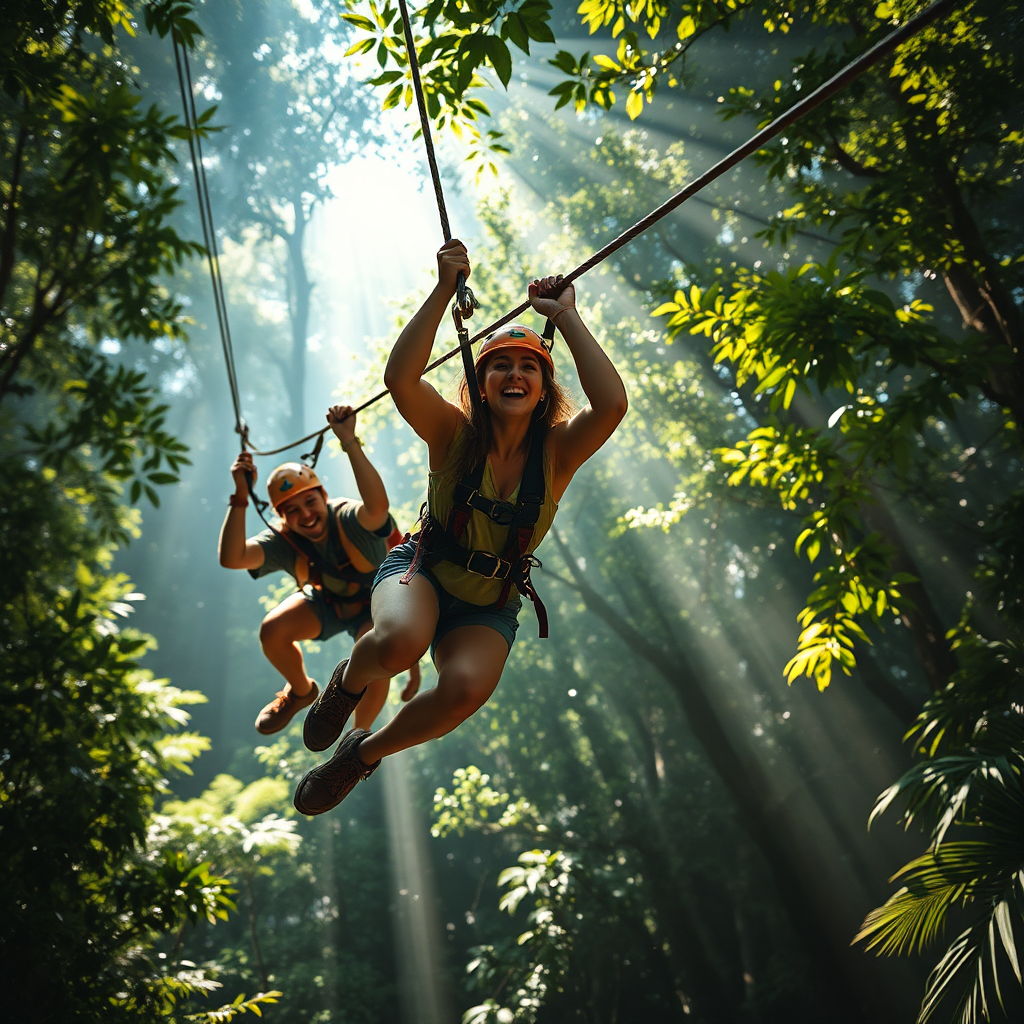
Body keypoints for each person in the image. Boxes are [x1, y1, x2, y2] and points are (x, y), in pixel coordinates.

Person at [293, 240, 627, 815]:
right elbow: (401, 379)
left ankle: (361, 754)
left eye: (529, 367)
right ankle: (350, 682)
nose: (514, 374)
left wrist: (566, 317)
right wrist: (445, 288)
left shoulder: (560, 452)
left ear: (545, 389)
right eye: (499, 365)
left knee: (466, 690)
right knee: (401, 643)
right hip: (421, 571)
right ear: (479, 383)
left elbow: (612, 405)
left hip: (488, 602)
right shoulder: (451, 433)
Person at [218, 404, 420, 737]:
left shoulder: (349, 518)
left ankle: (358, 735)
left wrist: (349, 441)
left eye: (310, 502)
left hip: (378, 603)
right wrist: (241, 496)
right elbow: (233, 557)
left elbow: (377, 507)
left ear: (323, 496)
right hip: (330, 603)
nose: (306, 515)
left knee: (375, 653)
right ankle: (300, 691)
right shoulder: (284, 540)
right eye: (293, 511)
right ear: (283, 517)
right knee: (273, 630)